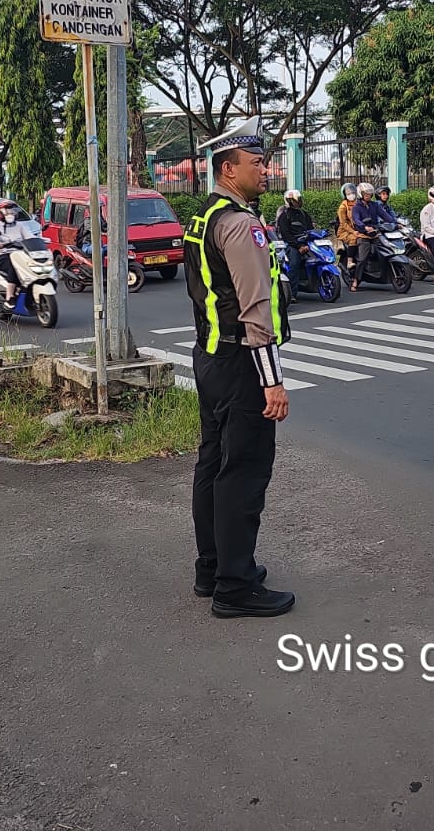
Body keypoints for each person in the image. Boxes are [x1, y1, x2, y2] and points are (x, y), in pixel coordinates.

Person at [183, 115, 294, 619]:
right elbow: (256, 311)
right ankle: (235, 585)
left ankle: (212, 568)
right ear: (229, 169)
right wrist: (273, 382)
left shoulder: (203, 217)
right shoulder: (241, 225)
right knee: (243, 472)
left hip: (210, 358)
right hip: (241, 364)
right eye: (257, 162)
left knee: (212, 464)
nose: (266, 170)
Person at [0, 203, 42, 306]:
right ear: (1, 214)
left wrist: (40, 240)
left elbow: (29, 236)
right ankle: (9, 297)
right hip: (3, 255)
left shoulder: (20, 225)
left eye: (13, 211)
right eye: (7, 212)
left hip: (20, 254)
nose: (11, 214)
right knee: (14, 268)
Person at [274, 189, 316, 301]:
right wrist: (298, 246)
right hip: (291, 244)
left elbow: (310, 229)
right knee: (294, 263)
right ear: (288, 201)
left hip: (306, 242)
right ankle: (292, 293)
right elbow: (285, 234)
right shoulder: (284, 216)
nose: (297, 202)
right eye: (294, 201)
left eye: (298, 200)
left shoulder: (304, 214)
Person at [349, 182, 383, 290]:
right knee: (362, 258)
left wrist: (396, 223)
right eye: (366, 194)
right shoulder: (356, 207)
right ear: (361, 194)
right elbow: (356, 220)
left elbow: (385, 215)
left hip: (375, 234)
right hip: (363, 236)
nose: (368, 195)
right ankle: (355, 280)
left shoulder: (374, 205)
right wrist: (365, 227)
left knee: (386, 251)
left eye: (369, 194)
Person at [335, 183, 359, 284]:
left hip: (357, 228)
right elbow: (343, 224)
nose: (351, 195)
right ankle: (349, 261)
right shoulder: (343, 207)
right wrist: (353, 231)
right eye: (348, 193)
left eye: (353, 192)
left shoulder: (358, 203)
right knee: (354, 238)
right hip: (345, 231)